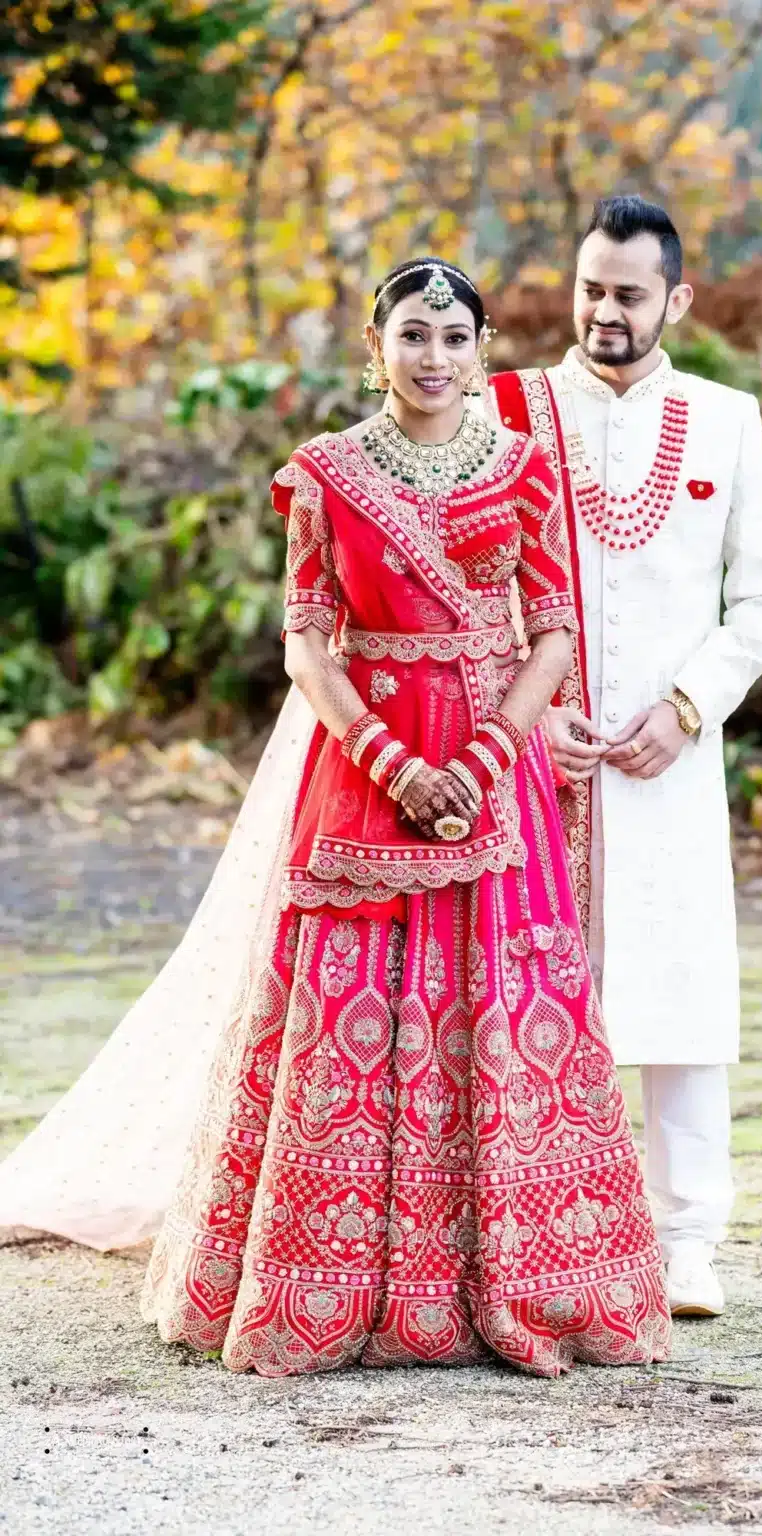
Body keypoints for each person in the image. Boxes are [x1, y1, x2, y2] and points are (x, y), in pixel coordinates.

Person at [0, 258, 671, 1378]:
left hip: (494, 765)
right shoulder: (326, 474)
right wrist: (393, 761)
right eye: (414, 335)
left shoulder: (520, 468)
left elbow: (552, 627)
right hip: (366, 761)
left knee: (506, 1000)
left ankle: (521, 1285)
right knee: (347, 1006)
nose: (436, 358)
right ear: (376, 347)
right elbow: (307, 637)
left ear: (484, 348)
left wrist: (493, 746)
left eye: (456, 338)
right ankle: (330, 1289)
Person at [491, 197, 762, 1319]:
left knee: (680, 990)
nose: (603, 312)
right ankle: (522, 1233)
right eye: (589, 289)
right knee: (516, 990)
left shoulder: (725, 418)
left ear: (676, 300)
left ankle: (687, 1246)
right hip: (533, 755)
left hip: (668, 759)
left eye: (626, 293)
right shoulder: (506, 408)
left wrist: (687, 705)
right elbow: (473, 583)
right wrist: (525, 709)